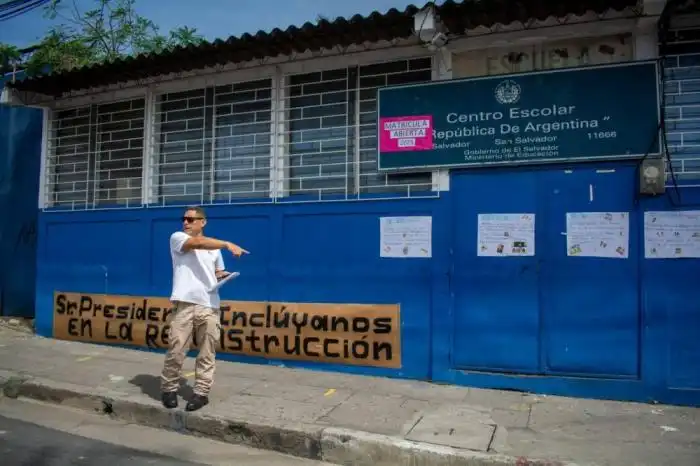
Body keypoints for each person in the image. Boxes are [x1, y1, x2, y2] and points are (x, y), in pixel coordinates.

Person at [160, 206, 248, 411]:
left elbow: (217, 272)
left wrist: (225, 276)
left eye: (191, 219)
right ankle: (169, 388)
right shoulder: (178, 238)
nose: (186, 222)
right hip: (184, 304)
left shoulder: (215, 249)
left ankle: (201, 393)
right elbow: (197, 243)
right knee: (176, 349)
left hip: (209, 305)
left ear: (203, 222)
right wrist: (227, 243)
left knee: (207, 353)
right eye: (184, 219)